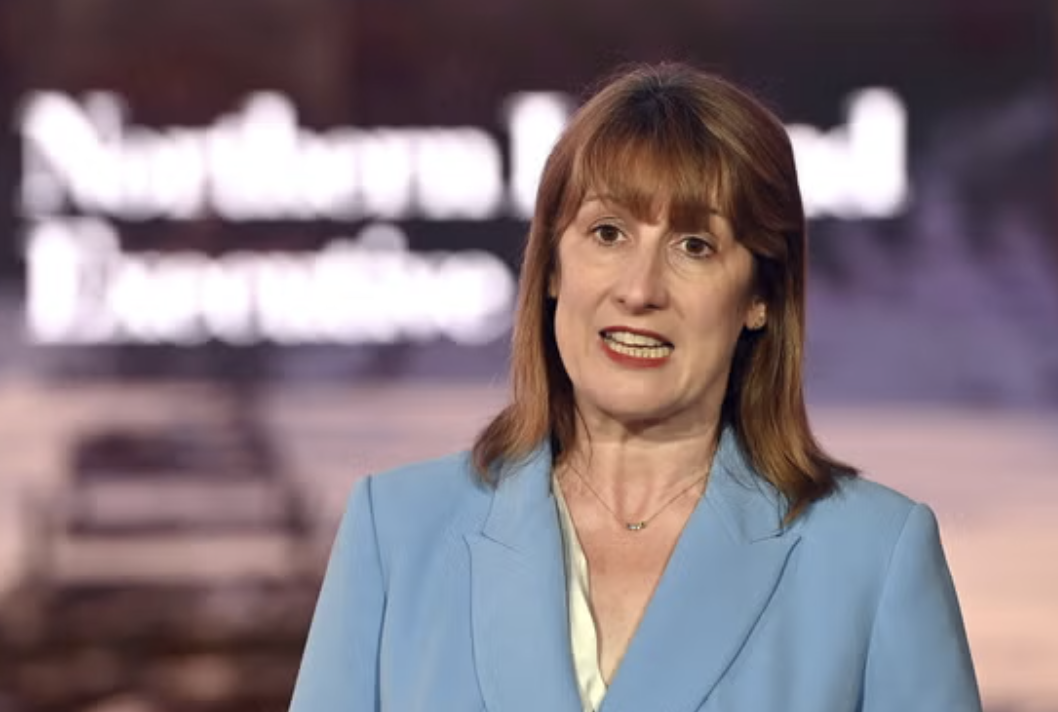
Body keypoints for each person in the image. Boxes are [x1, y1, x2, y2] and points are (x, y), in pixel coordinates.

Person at [288, 62, 982, 712]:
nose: (640, 290)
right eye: (608, 233)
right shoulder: (396, 531)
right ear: (552, 268)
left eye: (694, 246)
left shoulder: (873, 556)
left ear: (760, 297)